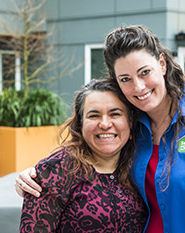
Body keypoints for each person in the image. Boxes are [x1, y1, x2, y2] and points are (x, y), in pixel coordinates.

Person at [16, 25, 185, 232]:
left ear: (162, 64)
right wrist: (36, 175)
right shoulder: (134, 129)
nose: (139, 86)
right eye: (125, 79)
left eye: (145, 72)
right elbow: (93, 157)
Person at [18, 78, 147, 233]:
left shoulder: (141, 165)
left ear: (130, 122)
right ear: (80, 124)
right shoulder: (55, 171)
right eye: (94, 116)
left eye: (115, 114)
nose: (105, 124)